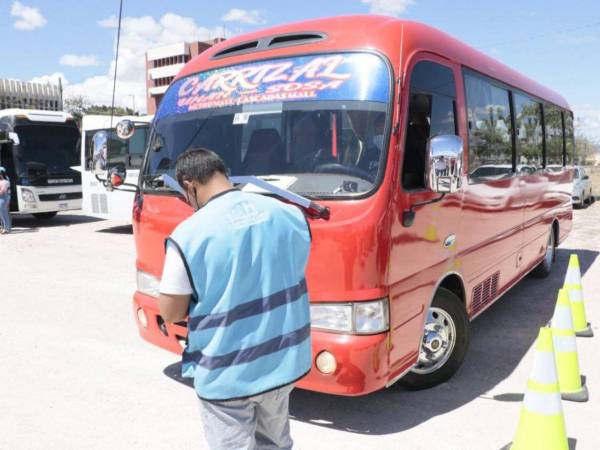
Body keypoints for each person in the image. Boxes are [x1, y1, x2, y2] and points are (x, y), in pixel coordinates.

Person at [158, 148, 312, 450]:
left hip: (226, 374)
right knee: (275, 444)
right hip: (283, 362)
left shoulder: (189, 234)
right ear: (223, 173)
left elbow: (172, 311)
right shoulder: (289, 213)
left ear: (190, 186)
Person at [0, 167, 11, 234]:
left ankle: (6, 228)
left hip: (3, 198)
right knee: (2, 213)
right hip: (3, 198)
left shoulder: (5, 182)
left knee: (3, 213)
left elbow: (3, 191)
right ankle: (4, 227)